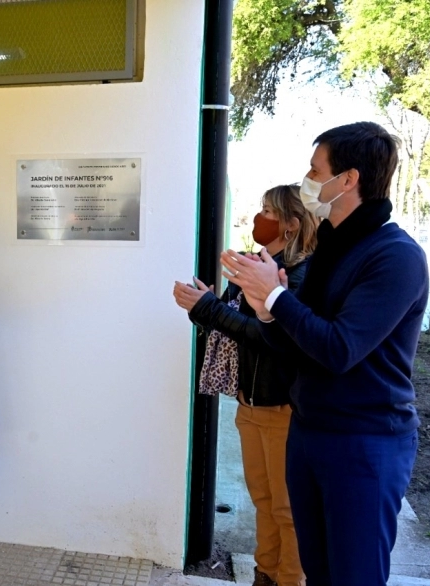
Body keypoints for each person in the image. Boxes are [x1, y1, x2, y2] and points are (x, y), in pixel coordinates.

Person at [221, 122, 429, 586]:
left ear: (348, 179)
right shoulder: (330, 250)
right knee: (317, 570)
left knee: (353, 574)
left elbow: (339, 350)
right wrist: (266, 309)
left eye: (316, 170)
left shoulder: (395, 257)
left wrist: (276, 300)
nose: (307, 180)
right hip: (310, 430)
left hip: (365, 442)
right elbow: (295, 347)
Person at [174, 185, 317, 586]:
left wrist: (211, 310)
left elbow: (275, 337)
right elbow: (232, 324)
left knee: (288, 509)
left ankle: (290, 578)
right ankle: (265, 573)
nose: (260, 217)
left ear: (291, 223)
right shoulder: (255, 264)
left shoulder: (303, 273)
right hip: (249, 403)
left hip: (283, 406)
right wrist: (204, 305)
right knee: (264, 502)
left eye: (269, 210)